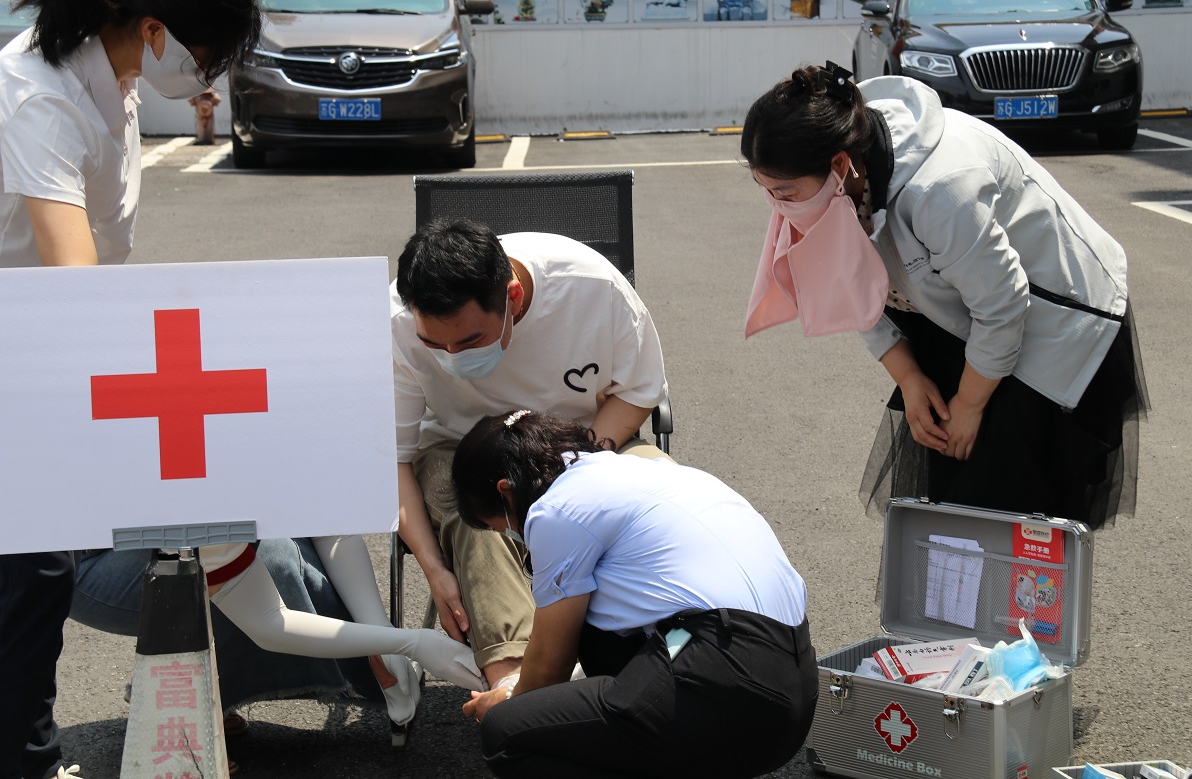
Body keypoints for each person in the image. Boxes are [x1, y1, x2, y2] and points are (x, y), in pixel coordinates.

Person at [0, 0, 260, 775]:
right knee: (34, 568)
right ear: (153, 31)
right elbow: (73, 275)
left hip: (41, 344)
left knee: (36, 571)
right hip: (26, 346)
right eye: (207, 56)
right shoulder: (37, 92)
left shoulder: (119, 78)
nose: (208, 77)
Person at [740, 62, 1148, 530]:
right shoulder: (839, 172)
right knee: (955, 522)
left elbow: (1002, 306)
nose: (777, 206)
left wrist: (969, 406)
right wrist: (910, 378)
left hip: (1054, 321)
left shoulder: (941, 189)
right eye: (765, 190)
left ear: (839, 165)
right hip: (963, 319)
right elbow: (851, 285)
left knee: (1013, 523)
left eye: (784, 192)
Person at [454, 410, 817, 779]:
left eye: (500, 527)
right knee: (599, 636)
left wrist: (506, 699)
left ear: (505, 491)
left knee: (507, 733)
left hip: (724, 678)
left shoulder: (556, 510)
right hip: (792, 690)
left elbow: (549, 669)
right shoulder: (636, 471)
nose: (512, 535)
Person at [392, 218, 670, 698]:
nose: (452, 356)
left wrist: (574, 469)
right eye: (434, 345)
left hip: (582, 437)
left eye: (469, 341)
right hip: (457, 446)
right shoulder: (397, 321)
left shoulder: (593, 289)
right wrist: (435, 571)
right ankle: (516, 690)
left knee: (664, 496)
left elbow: (639, 392)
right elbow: (393, 459)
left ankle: (677, 659)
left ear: (513, 298)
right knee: (475, 516)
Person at [69, 536, 484, 745]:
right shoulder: (207, 492)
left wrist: (386, 636)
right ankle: (181, 703)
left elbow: (331, 525)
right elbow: (268, 621)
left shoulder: (278, 429)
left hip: (197, 531)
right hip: (88, 567)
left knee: (288, 551)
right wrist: (412, 643)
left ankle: (375, 666)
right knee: (274, 563)